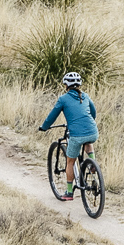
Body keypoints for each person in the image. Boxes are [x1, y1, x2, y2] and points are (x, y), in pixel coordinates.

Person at [36, 71, 98, 200]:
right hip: (92, 131)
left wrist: (44, 127)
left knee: (70, 162)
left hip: (76, 135)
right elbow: (93, 112)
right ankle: (93, 164)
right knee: (88, 142)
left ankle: (69, 192)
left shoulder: (63, 99)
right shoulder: (85, 96)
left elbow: (52, 116)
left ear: (66, 85)